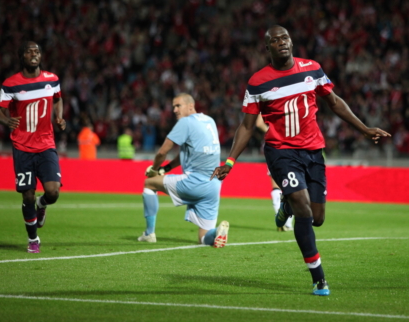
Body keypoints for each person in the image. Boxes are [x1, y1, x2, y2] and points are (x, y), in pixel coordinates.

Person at [211, 26, 391, 295]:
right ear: (268, 48)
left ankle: (286, 203)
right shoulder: (258, 82)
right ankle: (319, 278)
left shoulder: (312, 68)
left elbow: (335, 101)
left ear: (291, 42)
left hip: (314, 151)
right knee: (303, 207)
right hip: (281, 151)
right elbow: (247, 126)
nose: (281, 42)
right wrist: (230, 162)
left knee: (317, 218)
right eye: (274, 40)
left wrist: (364, 129)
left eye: (284, 38)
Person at [0, 41, 66, 253]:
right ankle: (33, 239)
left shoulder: (52, 79)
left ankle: (42, 205)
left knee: (53, 192)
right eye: (29, 51)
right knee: (27, 196)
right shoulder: (11, 84)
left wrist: (60, 117)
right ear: (22, 56)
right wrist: (7, 121)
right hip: (23, 146)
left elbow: (58, 99)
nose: (34, 54)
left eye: (37, 51)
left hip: (46, 144)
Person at [138, 93, 229, 247]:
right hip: (214, 186)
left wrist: (154, 169)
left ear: (191, 106)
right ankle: (217, 233)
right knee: (203, 238)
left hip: (195, 182)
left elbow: (162, 152)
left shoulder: (185, 122)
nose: (174, 109)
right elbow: (188, 154)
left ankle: (149, 233)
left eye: (178, 105)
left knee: (149, 183)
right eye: (173, 106)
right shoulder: (209, 120)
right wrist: (166, 168)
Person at [256, 114, 293, 231]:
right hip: (292, 154)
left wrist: (260, 104)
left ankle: (280, 217)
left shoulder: (272, 130)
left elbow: (258, 123)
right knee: (294, 189)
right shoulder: (292, 128)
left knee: (276, 188)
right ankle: (288, 223)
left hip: (274, 154)